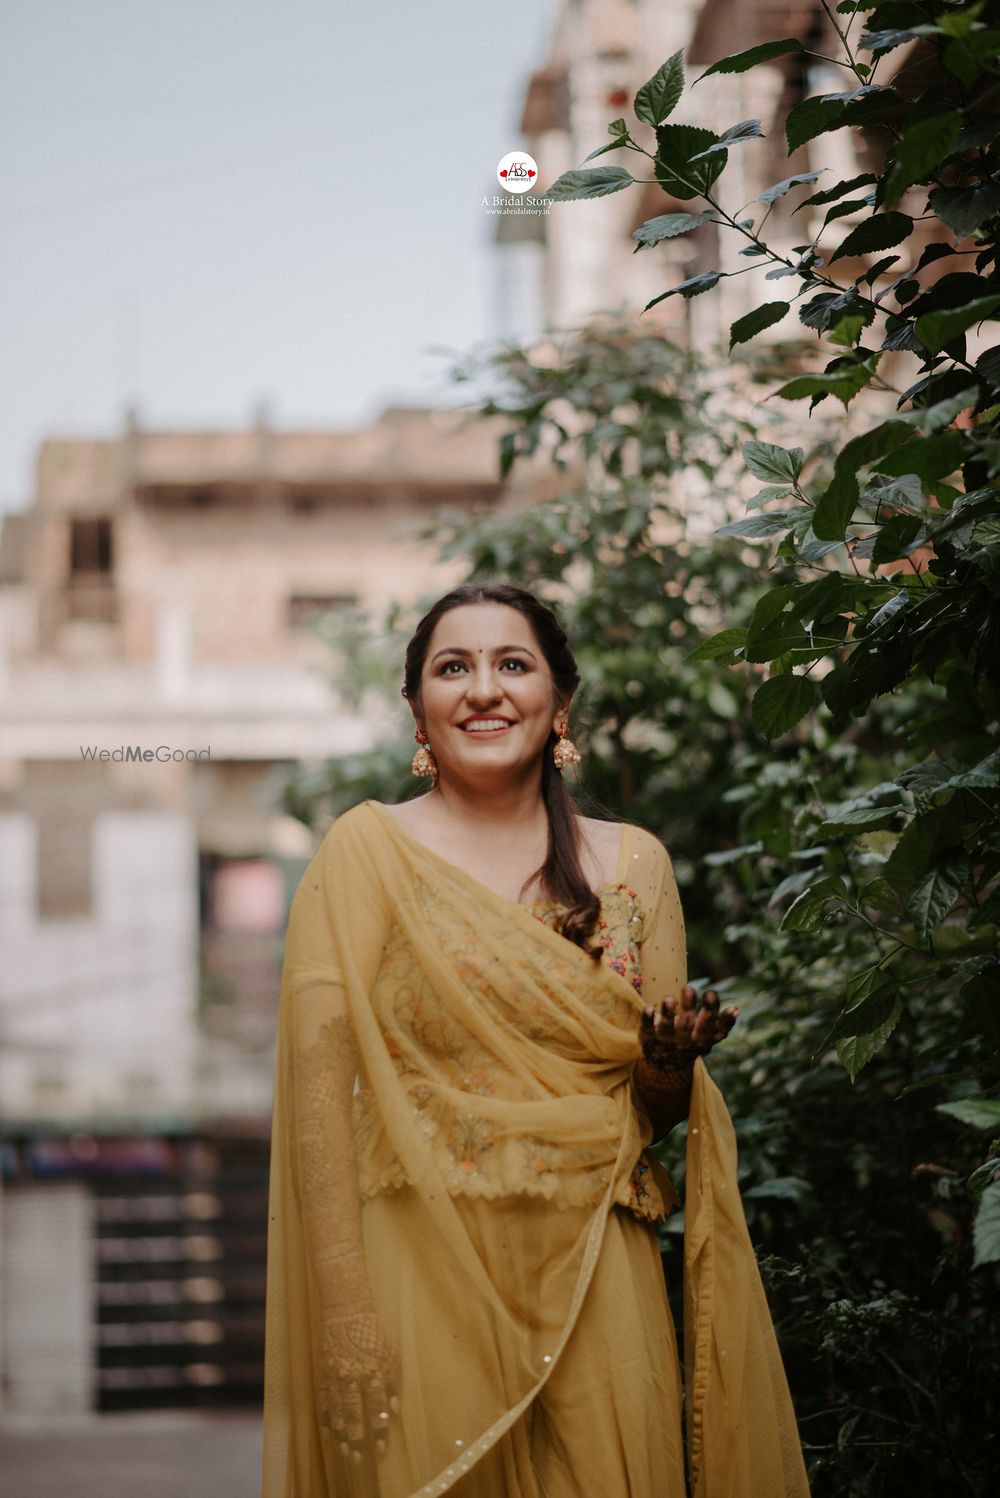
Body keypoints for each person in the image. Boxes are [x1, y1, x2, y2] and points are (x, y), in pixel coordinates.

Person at [262, 582, 810, 1498]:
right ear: (417, 712)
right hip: (418, 1268)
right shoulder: (365, 858)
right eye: (452, 668)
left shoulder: (634, 866)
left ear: (561, 703)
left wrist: (668, 1063)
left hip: (600, 1264)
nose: (483, 689)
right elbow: (319, 1104)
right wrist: (346, 1308)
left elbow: (657, 1114)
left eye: (512, 664)